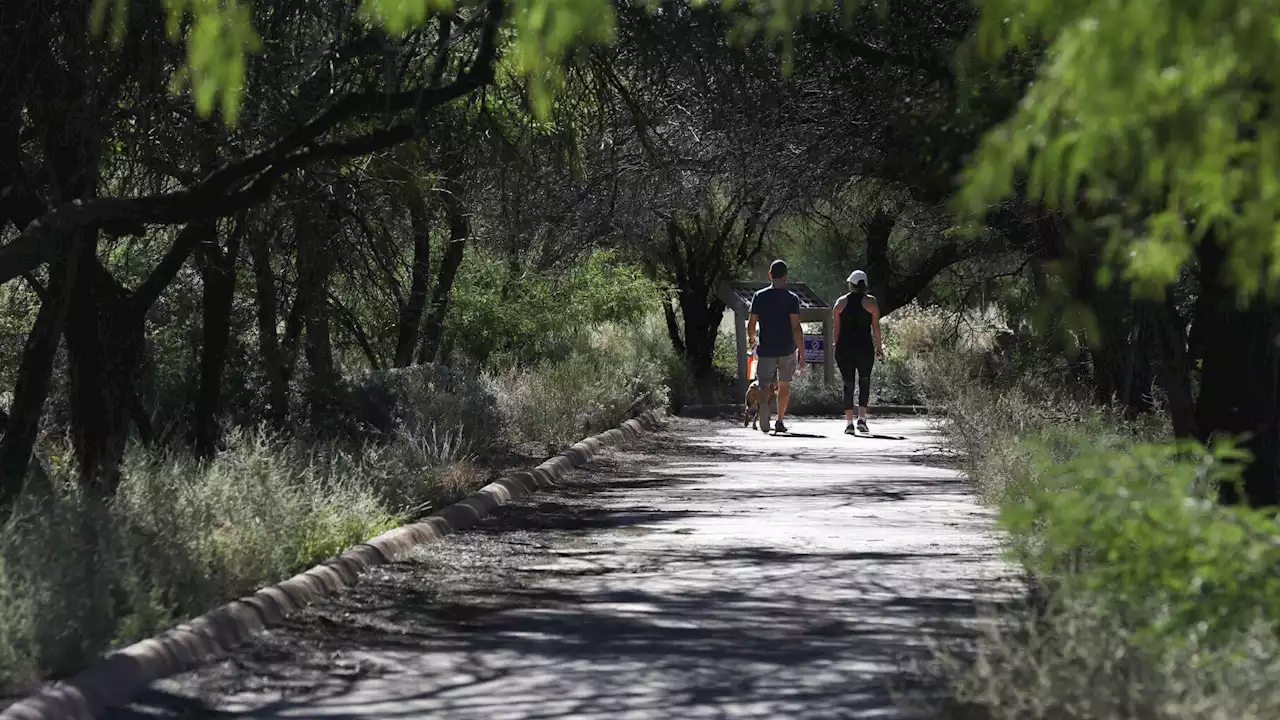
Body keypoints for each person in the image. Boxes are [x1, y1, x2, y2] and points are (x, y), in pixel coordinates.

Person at [747, 259, 805, 433]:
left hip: (766, 348)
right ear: (786, 277)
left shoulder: (759, 296)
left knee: (764, 384)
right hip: (787, 349)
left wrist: (752, 339)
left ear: (770, 275)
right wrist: (802, 352)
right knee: (785, 386)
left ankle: (764, 407)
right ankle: (779, 420)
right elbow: (796, 327)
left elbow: (751, 323)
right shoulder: (792, 299)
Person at [833, 269, 884, 435]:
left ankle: (849, 423)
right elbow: (875, 327)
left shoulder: (840, 303)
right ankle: (862, 419)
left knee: (848, 383)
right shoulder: (872, 303)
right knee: (864, 381)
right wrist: (879, 347)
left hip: (845, 347)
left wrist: (836, 346)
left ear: (851, 284)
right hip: (864, 347)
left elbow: (837, 329)